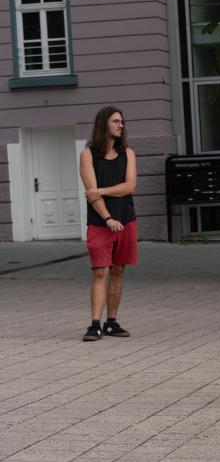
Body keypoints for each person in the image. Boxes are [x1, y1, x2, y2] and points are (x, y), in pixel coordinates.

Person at [79, 106, 137, 342]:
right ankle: (95, 325)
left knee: (119, 270)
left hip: (127, 219)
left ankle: (111, 323)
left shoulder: (128, 153)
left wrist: (102, 190)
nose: (121, 125)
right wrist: (108, 218)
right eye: (115, 121)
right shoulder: (88, 154)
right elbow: (91, 195)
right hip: (100, 222)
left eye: (122, 121)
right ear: (103, 124)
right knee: (101, 271)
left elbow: (129, 186)